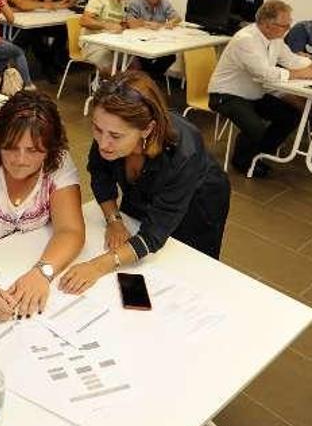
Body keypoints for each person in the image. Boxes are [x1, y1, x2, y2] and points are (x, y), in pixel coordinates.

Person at [60, 71, 230, 294]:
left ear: (147, 129)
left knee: (186, 270)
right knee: (137, 255)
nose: (103, 143)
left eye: (115, 136)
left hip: (199, 202)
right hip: (143, 189)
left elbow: (153, 234)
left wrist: (97, 266)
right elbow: (101, 175)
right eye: (97, 129)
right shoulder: (109, 130)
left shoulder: (184, 150)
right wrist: (114, 220)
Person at [0, 91, 85, 322]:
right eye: (11, 147)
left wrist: (42, 273)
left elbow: (71, 230)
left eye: (33, 150)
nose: (20, 159)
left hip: (25, 264)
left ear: (51, 149)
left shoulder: (60, 162)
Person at [208, 0, 312, 177]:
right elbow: (263, 73)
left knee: (290, 116)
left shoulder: (275, 39)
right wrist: (296, 74)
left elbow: (291, 60)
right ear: (268, 25)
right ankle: (242, 162)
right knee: (256, 127)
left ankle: (258, 155)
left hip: (254, 94)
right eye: (285, 25)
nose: (288, 29)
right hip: (226, 94)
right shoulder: (246, 40)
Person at [79, 0, 136, 72]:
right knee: (112, 71)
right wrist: (106, 25)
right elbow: (84, 21)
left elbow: (119, 24)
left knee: (134, 63)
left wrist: (128, 24)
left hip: (113, 44)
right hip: (94, 45)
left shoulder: (122, 2)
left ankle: (114, 84)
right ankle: (104, 84)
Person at [126, 0, 182, 79]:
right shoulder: (136, 3)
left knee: (171, 56)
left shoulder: (164, 3)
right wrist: (146, 23)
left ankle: (147, 78)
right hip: (139, 43)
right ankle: (149, 80)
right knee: (144, 58)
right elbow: (130, 23)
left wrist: (171, 22)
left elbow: (178, 18)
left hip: (158, 42)